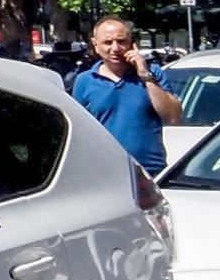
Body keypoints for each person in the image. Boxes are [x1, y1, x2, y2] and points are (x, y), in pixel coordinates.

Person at [67, 18, 183, 170]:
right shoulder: (84, 81)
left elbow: (173, 117)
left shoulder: (153, 73)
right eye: (108, 43)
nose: (115, 48)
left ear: (132, 44)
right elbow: (79, 131)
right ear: (95, 45)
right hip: (105, 171)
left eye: (121, 41)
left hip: (149, 170)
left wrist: (145, 76)